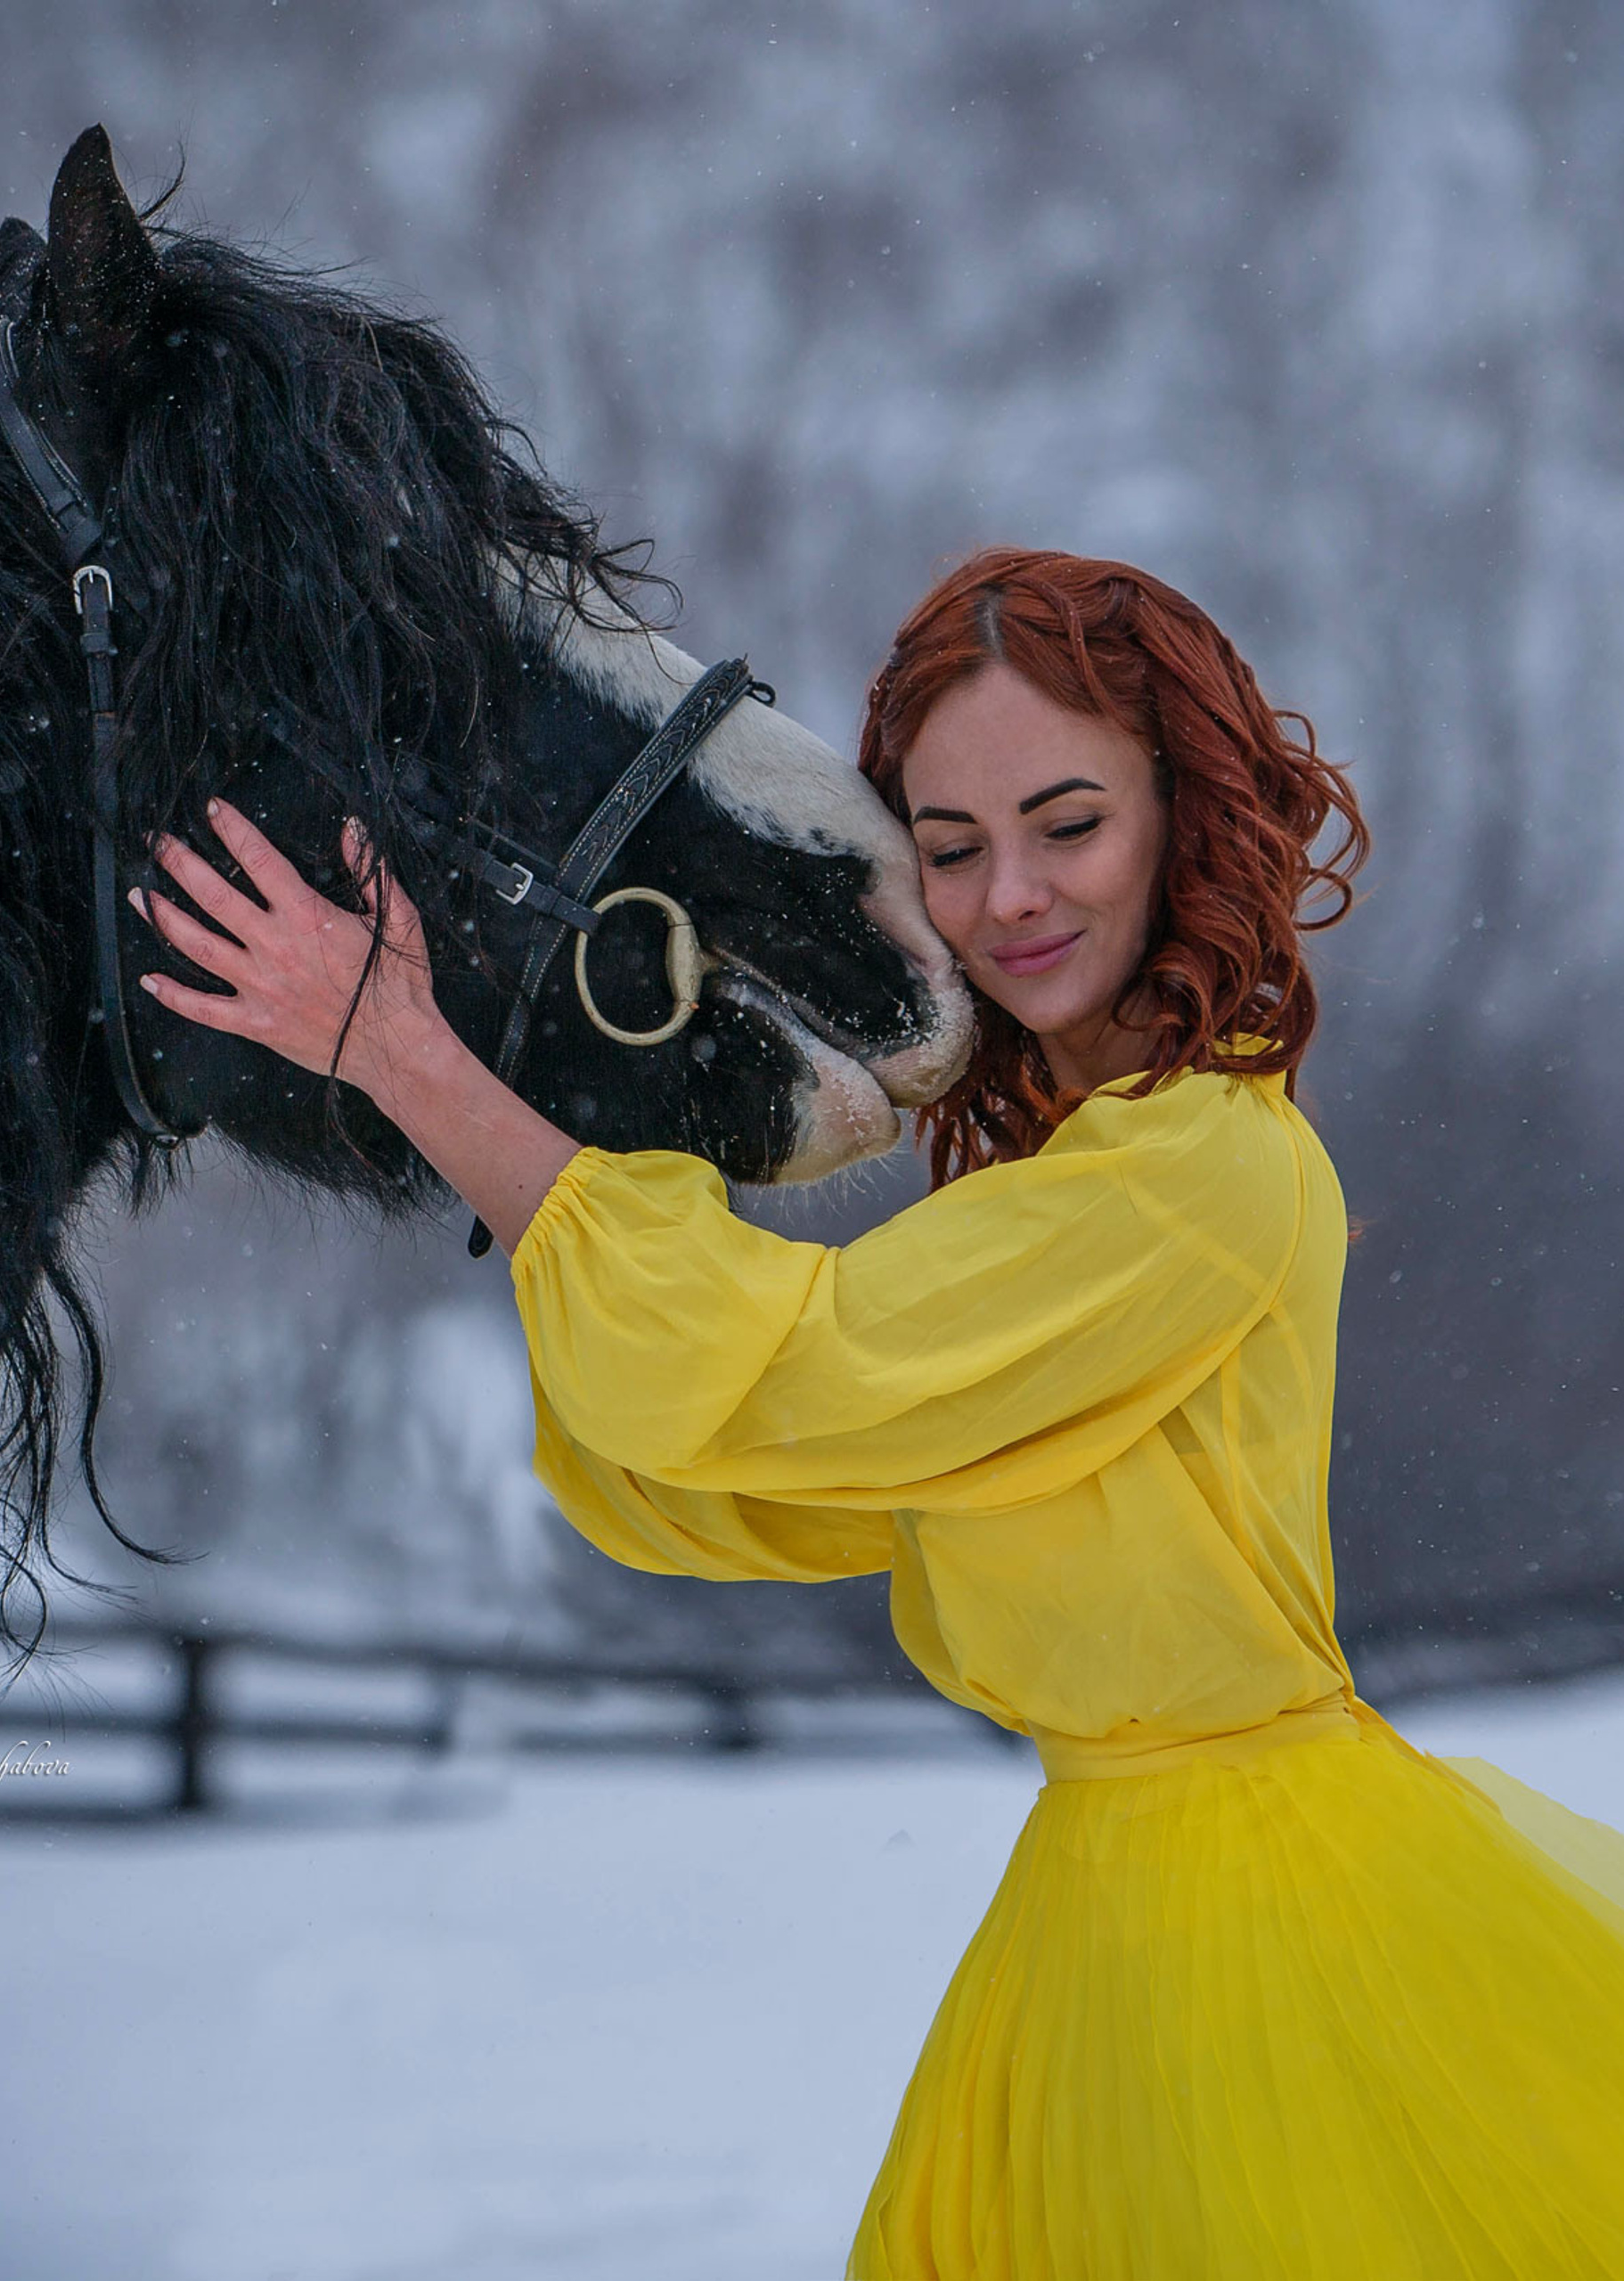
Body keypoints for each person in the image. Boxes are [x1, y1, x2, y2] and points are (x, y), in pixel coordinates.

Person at [131, 545, 1624, 2277]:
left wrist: (411, 1058)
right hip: (1098, 1917)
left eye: (1067, 823)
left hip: (1264, 1917)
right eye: (950, 842)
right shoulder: (1071, 1184)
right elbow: (734, 1470)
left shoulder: (1201, 1170)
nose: (1010, 896)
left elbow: (791, 1364)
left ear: (1178, 815)